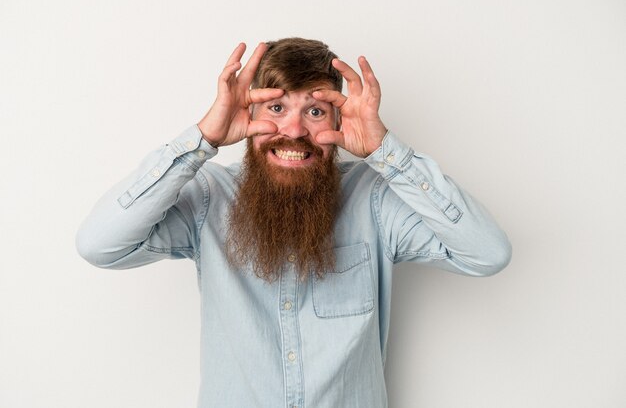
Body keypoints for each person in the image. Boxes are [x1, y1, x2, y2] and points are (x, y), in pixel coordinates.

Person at [76, 37, 511, 408]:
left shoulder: (375, 199)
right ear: (247, 113)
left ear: (340, 119)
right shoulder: (209, 198)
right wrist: (202, 139)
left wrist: (385, 152)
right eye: (277, 107)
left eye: (316, 111)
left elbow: (487, 253)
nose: (295, 130)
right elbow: (99, 245)